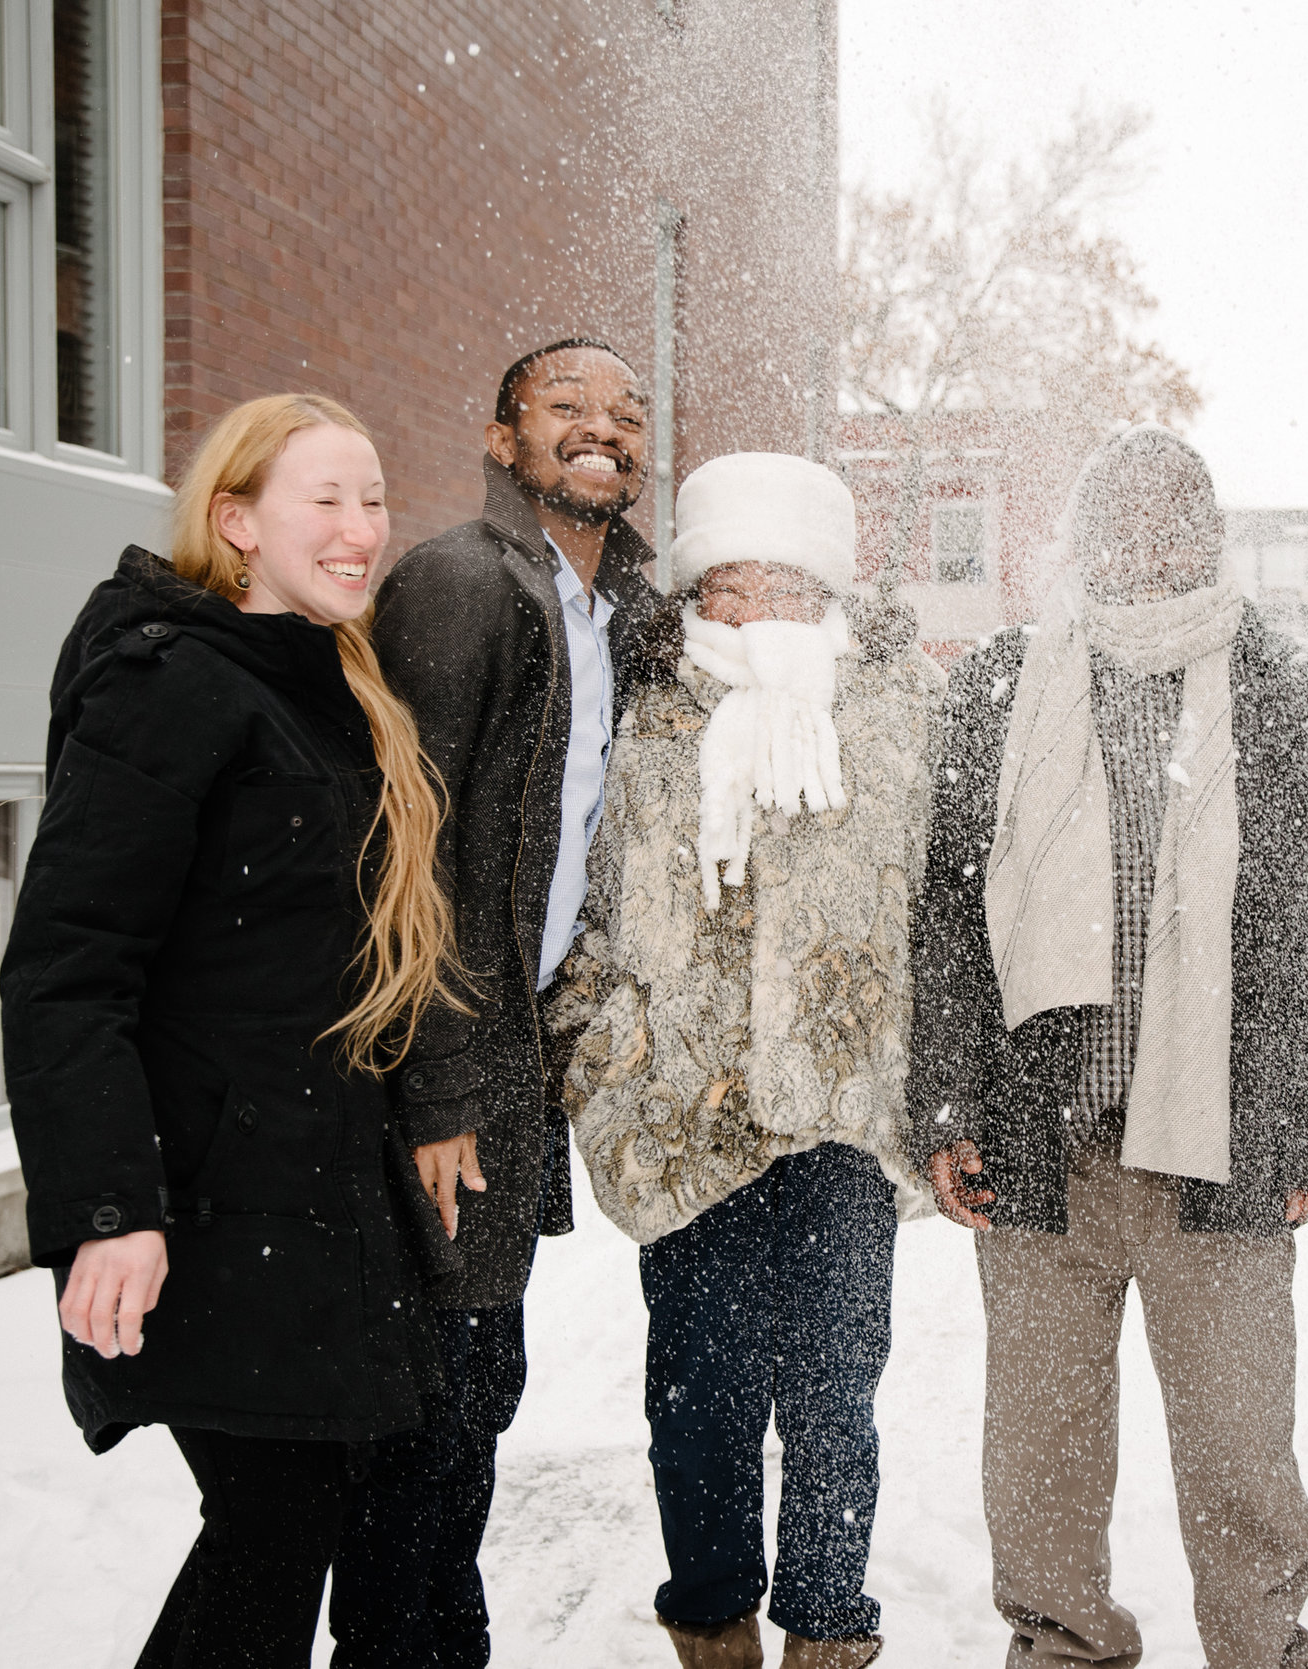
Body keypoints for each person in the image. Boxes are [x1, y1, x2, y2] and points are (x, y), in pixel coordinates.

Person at [1, 393, 457, 1667]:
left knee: (308, 1513)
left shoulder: (321, 681)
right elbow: (67, 968)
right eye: (327, 499)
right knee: (275, 1517)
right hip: (209, 1201)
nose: (363, 528)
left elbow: (337, 957)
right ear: (236, 521)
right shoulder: (173, 685)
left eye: (373, 498)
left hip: (311, 1199)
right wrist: (108, 1206)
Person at [908, 427, 1308, 1669]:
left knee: (1237, 1449)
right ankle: (1062, 1648)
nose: (1147, 543)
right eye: (1121, 519)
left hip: (1218, 1146)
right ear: (1081, 538)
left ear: (1209, 536)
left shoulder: (1273, 683)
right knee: (1040, 1452)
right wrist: (946, 1107)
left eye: (1174, 519)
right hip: (1041, 1144)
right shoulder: (1005, 681)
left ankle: (1260, 1651)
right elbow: (950, 907)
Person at [545, 451, 939, 1669]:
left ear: (823, 581)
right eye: (724, 579)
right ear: (691, 584)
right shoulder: (638, 702)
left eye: (779, 576)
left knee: (833, 1389)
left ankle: (829, 1620)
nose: (750, 603)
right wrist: (604, 1050)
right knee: (699, 1392)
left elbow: (946, 896)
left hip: (845, 1108)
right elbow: (580, 890)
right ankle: (712, 1616)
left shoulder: (900, 702)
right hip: (680, 1107)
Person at [334, 338, 669, 1668]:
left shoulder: (615, 613)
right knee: (427, 1422)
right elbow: (403, 863)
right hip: (435, 1085)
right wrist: (437, 1094)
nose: (605, 428)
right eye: (568, 407)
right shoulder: (462, 587)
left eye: (628, 412)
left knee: (469, 1404)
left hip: (504, 1073)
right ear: (500, 439)